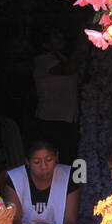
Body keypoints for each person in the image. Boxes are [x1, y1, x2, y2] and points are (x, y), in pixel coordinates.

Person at [30, 29, 82, 162]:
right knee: (54, 162)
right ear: (46, 44)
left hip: (67, 118)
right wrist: (83, 42)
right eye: (55, 37)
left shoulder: (61, 58)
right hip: (52, 119)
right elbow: (69, 68)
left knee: (68, 160)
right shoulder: (42, 60)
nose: (61, 38)